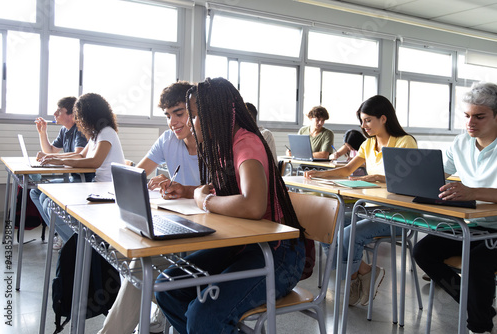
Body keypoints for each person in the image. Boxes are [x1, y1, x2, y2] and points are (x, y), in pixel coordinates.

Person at [155, 77, 306, 334]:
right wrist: (190, 191)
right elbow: (220, 193)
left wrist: (206, 201)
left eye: (192, 116)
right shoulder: (221, 145)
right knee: (167, 286)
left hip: (278, 255)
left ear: (213, 114)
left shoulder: (245, 142)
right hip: (244, 245)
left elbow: (252, 205)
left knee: (203, 316)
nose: (190, 124)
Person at [97, 81, 200, 334]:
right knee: (116, 248)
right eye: (168, 116)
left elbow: (220, 192)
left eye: (179, 113)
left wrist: (184, 189)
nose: (172, 122)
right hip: (179, 225)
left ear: (196, 112)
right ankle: (160, 309)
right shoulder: (168, 140)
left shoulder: (215, 146)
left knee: (139, 266)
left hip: (207, 234)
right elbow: (136, 174)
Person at [305, 95, 417, 306]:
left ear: (383, 118)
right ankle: (361, 274)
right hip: (371, 209)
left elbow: (409, 183)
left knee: (348, 234)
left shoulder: (405, 142)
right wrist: (318, 173)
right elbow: (347, 169)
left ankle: (354, 279)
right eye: (362, 121)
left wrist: (380, 178)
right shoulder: (368, 143)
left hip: (398, 213)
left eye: (367, 120)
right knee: (324, 225)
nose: (363, 126)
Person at [413, 82, 497, 334]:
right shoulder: (462, 142)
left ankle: (479, 326)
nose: (471, 122)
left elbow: (472, 191)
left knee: (478, 262)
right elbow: (441, 175)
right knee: (423, 251)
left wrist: (472, 192)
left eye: (479, 116)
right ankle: (476, 305)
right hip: (473, 225)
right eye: (467, 116)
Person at [38, 93, 125, 244]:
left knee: (50, 204)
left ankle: (81, 246)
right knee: (45, 200)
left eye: (79, 115)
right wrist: (56, 159)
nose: (78, 120)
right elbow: (80, 156)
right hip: (97, 186)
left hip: (107, 190)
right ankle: (76, 246)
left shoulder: (106, 132)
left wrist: (59, 161)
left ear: (89, 115)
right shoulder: (95, 135)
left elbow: (94, 162)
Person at [30, 96, 94, 250]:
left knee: (47, 197)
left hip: (84, 180)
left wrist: (51, 157)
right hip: (72, 178)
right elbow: (50, 150)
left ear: (71, 115)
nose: (55, 114)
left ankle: (72, 243)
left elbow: (78, 154)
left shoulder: (80, 130)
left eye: (59, 111)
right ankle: (62, 234)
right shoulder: (65, 130)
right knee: (35, 192)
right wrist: (42, 133)